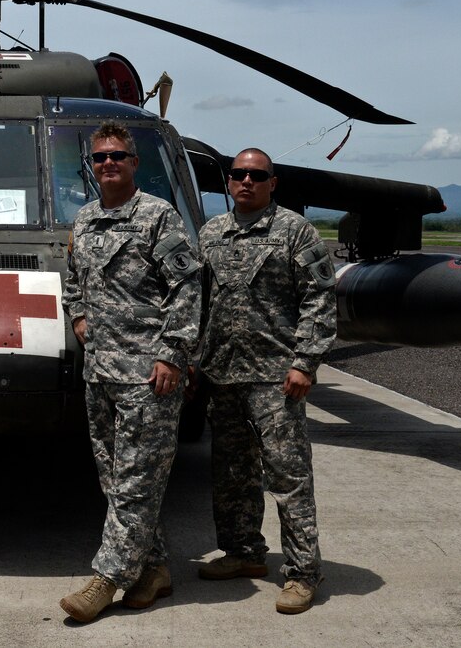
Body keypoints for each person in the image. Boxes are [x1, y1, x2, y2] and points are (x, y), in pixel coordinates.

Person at [59, 122, 202, 623]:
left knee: (137, 483)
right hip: (101, 374)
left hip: (149, 376)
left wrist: (172, 354)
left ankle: (108, 577)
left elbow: (187, 288)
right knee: (116, 480)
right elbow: (71, 280)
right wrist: (77, 316)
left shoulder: (158, 216)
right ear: (91, 165)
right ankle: (153, 568)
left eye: (117, 156)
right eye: (99, 158)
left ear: (134, 163)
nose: (108, 164)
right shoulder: (84, 220)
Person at [196, 147, 337, 615]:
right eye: (239, 174)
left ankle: (302, 573)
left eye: (257, 175)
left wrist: (305, 363)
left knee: (288, 476)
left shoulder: (295, 231)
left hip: (276, 377)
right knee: (232, 473)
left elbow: (320, 299)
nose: (247, 181)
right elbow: (196, 300)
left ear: (272, 183)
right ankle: (242, 552)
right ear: (229, 182)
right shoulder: (211, 233)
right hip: (223, 375)